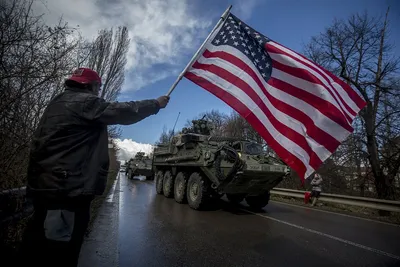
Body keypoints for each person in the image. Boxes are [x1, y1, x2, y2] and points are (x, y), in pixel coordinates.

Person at [17, 67, 169, 267]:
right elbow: (122, 111)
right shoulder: (85, 102)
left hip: (44, 187)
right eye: (97, 87)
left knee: (37, 247)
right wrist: (155, 104)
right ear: (91, 86)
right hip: (66, 191)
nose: (98, 92)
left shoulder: (56, 104)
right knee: (61, 252)